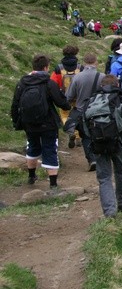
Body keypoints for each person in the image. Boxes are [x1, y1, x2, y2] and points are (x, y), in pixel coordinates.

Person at [82, 74, 122, 218]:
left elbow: (83, 125)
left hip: (97, 144)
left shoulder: (91, 101)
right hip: (119, 143)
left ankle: (109, 211)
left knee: (104, 178)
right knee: (120, 172)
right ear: (117, 85)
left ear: (101, 86)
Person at [11, 54, 71, 189]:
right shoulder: (49, 83)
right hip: (48, 123)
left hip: (28, 123)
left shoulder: (22, 82)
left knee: (32, 146)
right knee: (50, 149)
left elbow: (15, 104)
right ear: (46, 67)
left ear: (33, 67)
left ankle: (31, 176)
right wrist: (67, 106)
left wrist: (16, 122)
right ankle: (53, 184)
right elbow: (61, 102)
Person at [64, 53, 104, 171]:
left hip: (82, 110)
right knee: (98, 134)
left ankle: (91, 159)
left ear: (84, 63)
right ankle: (101, 156)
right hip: (99, 110)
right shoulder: (102, 76)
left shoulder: (77, 77)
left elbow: (69, 96)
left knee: (85, 136)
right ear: (95, 62)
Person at [51, 45, 84, 148]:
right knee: (78, 116)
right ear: (75, 53)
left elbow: (52, 83)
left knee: (65, 115)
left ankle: (71, 132)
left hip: (64, 97)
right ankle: (78, 137)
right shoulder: (80, 67)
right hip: (78, 97)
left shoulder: (58, 68)